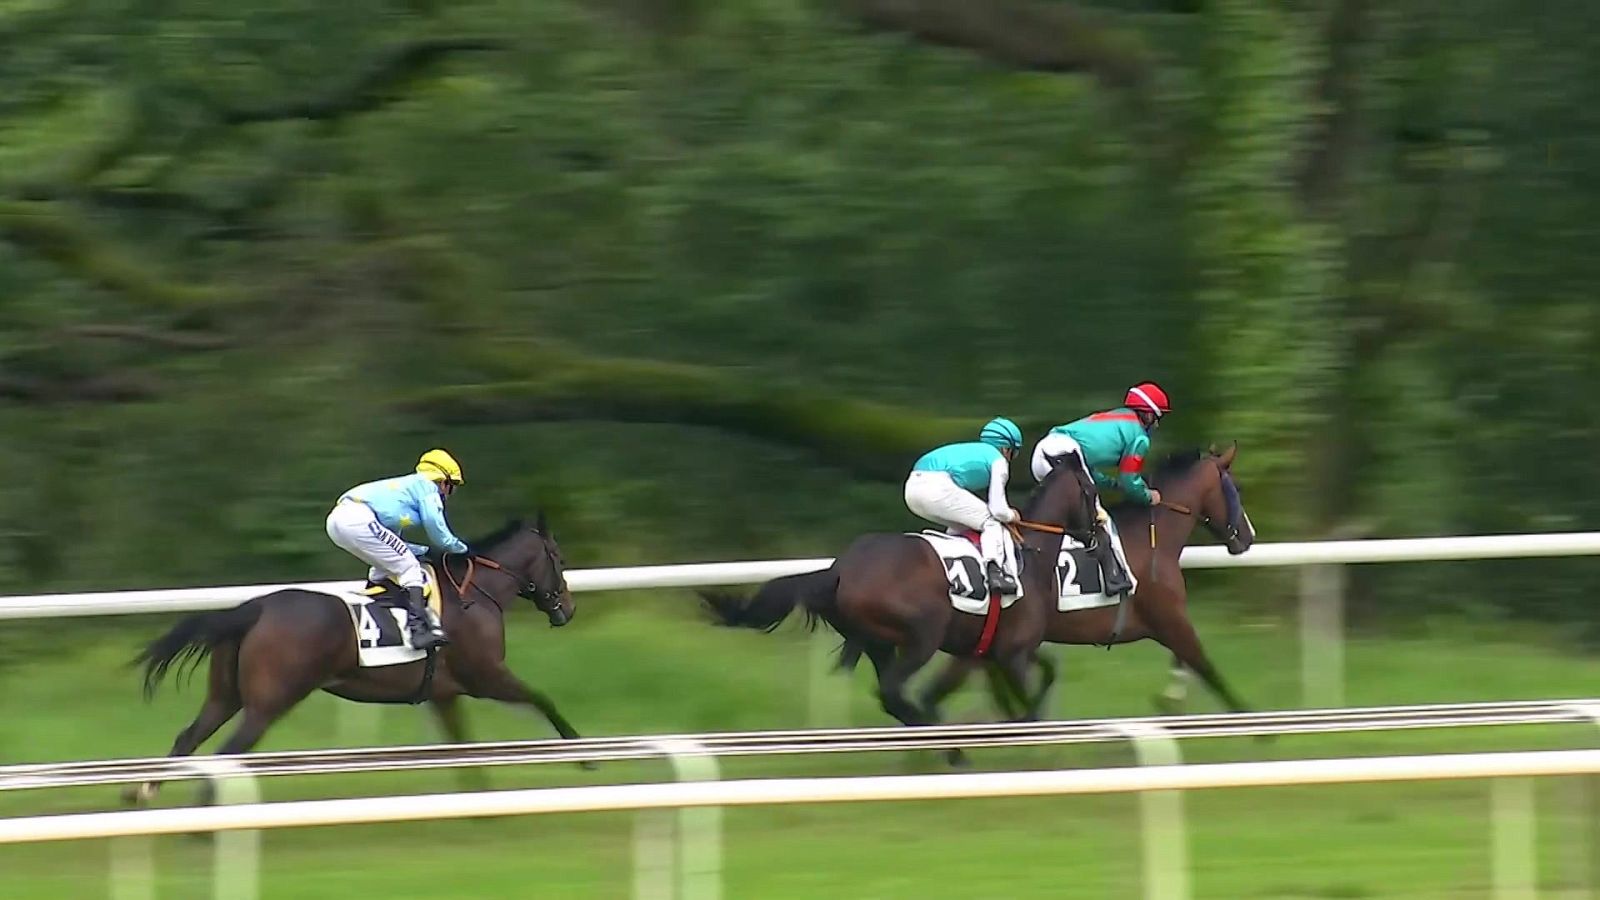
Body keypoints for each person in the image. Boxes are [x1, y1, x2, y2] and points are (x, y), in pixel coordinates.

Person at [1029, 382, 1171, 597]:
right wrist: (1148, 495)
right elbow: (1130, 480)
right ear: (1148, 416)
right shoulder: (1140, 437)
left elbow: (1091, 473)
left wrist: (1113, 485)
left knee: (1075, 518)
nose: (1157, 426)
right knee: (1100, 518)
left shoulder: (1116, 418)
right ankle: (1116, 577)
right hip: (1064, 455)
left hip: (1044, 453)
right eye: (1158, 418)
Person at [324, 449, 469, 650]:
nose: (448, 493)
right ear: (444, 481)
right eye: (451, 487)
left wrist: (424, 550)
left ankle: (378, 603)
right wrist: (460, 548)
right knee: (410, 567)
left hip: (336, 521)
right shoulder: (428, 488)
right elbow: (436, 527)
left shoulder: (403, 494)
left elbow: (392, 543)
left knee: (386, 565)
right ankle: (418, 631)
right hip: (358, 519)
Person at [904, 417, 1024, 596]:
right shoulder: (999, 460)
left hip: (911, 488)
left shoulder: (973, 450)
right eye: (1013, 453)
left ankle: (953, 568)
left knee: (961, 526)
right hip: (936, 487)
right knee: (991, 522)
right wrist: (1012, 515)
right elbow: (998, 509)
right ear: (1007, 449)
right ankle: (996, 573)